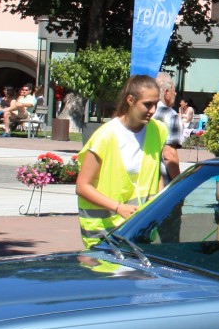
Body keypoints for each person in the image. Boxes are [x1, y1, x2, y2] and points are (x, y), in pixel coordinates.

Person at [75, 75, 178, 249]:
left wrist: (157, 203)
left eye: (155, 104)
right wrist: (118, 207)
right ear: (130, 100)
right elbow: (82, 186)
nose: (153, 110)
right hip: (103, 231)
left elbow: (154, 174)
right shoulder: (105, 136)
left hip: (139, 229)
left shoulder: (158, 130)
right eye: (147, 104)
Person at [152, 75, 184, 181]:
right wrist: (178, 185)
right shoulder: (171, 115)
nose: (175, 93)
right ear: (166, 92)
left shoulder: (143, 113)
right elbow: (169, 154)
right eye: (173, 90)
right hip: (162, 182)